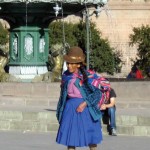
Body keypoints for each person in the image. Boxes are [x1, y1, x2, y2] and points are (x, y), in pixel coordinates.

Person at [56, 46, 103, 150]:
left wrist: (85, 103)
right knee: (70, 139)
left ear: (78, 64)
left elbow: (98, 93)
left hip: (86, 109)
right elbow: (63, 95)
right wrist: (61, 110)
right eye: (68, 63)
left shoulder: (88, 76)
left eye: (71, 63)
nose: (69, 65)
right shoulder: (65, 75)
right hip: (70, 109)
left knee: (91, 139)